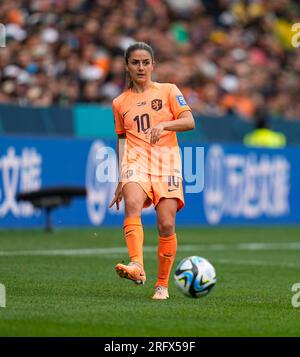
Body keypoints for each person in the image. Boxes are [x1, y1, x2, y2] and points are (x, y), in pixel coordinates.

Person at [109, 42, 195, 300]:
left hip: (167, 163)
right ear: (127, 66)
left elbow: (190, 121)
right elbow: (122, 139)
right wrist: (121, 176)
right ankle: (136, 265)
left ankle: (161, 285)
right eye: (135, 62)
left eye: (145, 62)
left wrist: (166, 126)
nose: (141, 67)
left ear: (153, 65)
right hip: (136, 162)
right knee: (132, 203)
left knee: (166, 224)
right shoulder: (119, 102)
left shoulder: (169, 90)